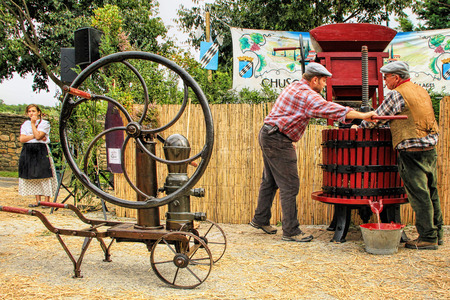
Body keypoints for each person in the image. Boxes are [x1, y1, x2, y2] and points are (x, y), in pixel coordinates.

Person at [250, 62, 377, 242]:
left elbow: (286, 113)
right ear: (314, 79)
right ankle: (291, 231)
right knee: (290, 185)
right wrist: (362, 115)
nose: (325, 85)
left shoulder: (295, 86)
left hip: (270, 133)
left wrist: (287, 136)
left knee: (270, 180)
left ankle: (260, 219)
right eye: (324, 81)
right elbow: (330, 109)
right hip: (277, 137)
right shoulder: (307, 95)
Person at [359, 61, 443, 250]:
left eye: (386, 77)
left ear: (396, 77)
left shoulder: (397, 94)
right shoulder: (420, 90)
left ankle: (428, 238)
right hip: (429, 148)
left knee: (419, 194)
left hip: (411, 150)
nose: (384, 81)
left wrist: (359, 126)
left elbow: (377, 118)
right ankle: (438, 234)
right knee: (432, 191)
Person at [18, 104, 57, 207]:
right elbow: (22, 139)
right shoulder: (25, 124)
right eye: (29, 111)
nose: (31, 113)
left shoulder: (45, 123)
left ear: (38, 112)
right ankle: (38, 201)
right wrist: (33, 135)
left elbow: (39, 136)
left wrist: (33, 126)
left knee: (44, 174)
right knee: (34, 175)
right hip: (29, 150)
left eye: (33, 111)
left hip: (41, 150)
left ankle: (47, 201)